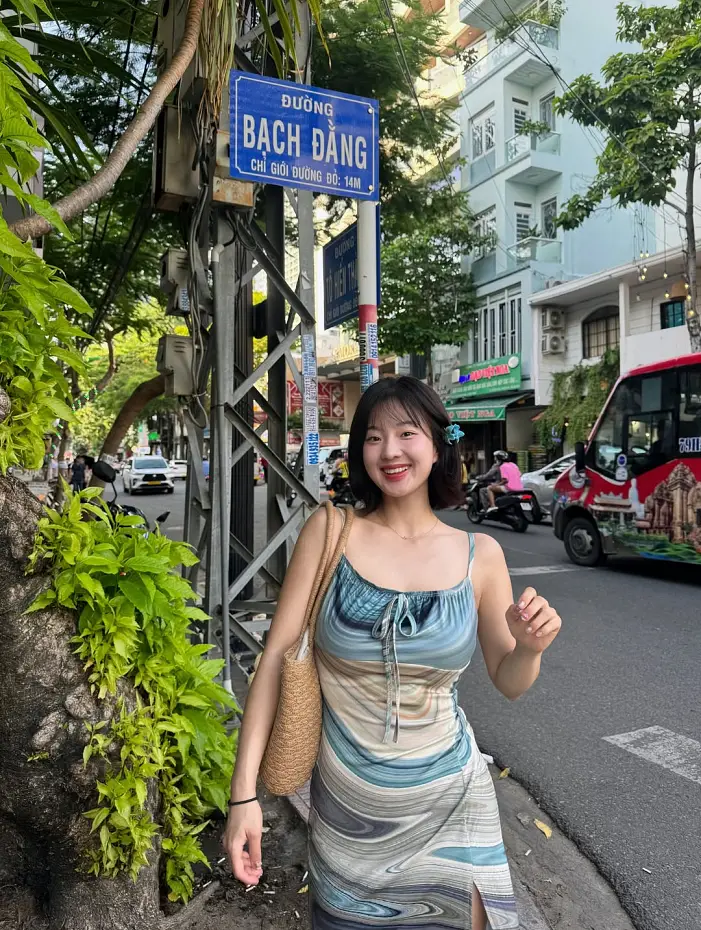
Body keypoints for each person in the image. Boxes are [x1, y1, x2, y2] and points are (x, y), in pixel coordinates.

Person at [223, 376, 562, 930]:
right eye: (374, 437)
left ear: (438, 443)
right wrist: (243, 797)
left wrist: (529, 647)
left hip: (454, 803)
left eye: (407, 433)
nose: (390, 451)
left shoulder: (480, 554)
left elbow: (510, 679)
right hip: (349, 819)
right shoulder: (329, 532)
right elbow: (274, 661)